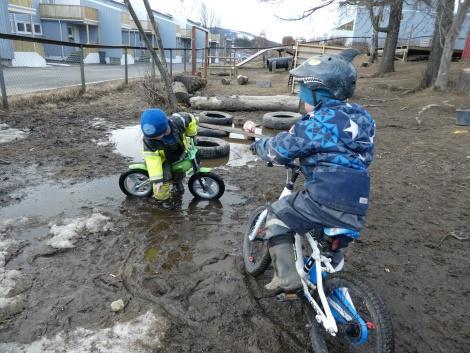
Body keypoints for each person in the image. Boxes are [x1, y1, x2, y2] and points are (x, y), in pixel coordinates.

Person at [247, 49, 376, 294]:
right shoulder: (364, 119)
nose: (301, 96)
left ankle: (287, 279)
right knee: (330, 243)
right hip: (358, 198)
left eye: (304, 90)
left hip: (326, 194)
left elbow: (280, 150)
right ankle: (330, 274)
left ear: (318, 92)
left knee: (277, 215)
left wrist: (259, 145)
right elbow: (358, 155)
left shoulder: (314, 122)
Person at [140, 108, 198, 209]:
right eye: (150, 137)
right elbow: (152, 159)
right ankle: (161, 199)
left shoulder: (178, 122)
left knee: (180, 169)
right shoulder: (149, 140)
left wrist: (191, 134)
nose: (153, 139)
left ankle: (177, 182)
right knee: (164, 178)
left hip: (178, 150)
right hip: (162, 159)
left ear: (165, 127)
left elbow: (191, 118)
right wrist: (157, 180)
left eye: (156, 136)